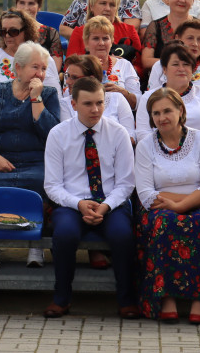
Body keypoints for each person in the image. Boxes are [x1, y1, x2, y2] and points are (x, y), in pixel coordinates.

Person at [42, 76, 138, 319]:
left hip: (111, 203)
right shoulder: (58, 134)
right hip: (72, 203)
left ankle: (127, 299)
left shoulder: (118, 133)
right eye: (88, 104)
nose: (95, 109)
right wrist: (79, 204)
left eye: (100, 103)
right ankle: (61, 298)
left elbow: (126, 182)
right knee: (64, 235)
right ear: (73, 104)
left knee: (123, 235)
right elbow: (52, 185)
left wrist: (105, 206)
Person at [135, 88, 200, 323]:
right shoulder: (146, 145)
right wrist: (179, 204)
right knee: (165, 224)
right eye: (156, 113)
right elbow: (146, 193)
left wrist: (181, 204)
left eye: (167, 110)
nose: (161, 117)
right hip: (160, 208)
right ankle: (166, 298)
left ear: (181, 111)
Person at [0, 41, 62, 270]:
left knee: (40, 180)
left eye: (43, 69)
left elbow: (52, 133)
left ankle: (35, 242)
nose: (40, 74)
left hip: (35, 160)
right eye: (35, 67)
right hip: (0, 157)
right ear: (18, 69)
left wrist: (36, 99)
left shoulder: (49, 94)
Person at [136, 43, 200, 155]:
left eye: (186, 64)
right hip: (160, 158)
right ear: (164, 69)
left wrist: (191, 150)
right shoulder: (148, 97)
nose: (181, 69)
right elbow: (142, 134)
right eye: (175, 64)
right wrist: (171, 150)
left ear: (193, 69)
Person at [0, 9, 61, 107]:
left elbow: (57, 100)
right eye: (3, 31)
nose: (7, 35)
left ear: (27, 31)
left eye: (13, 31)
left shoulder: (45, 59)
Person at [65, 0, 143, 76]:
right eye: (103, 3)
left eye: (112, 5)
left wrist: (123, 66)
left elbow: (141, 68)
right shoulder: (79, 32)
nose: (107, 8)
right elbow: (69, 67)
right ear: (91, 7)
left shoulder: (129, 31)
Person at [140, 0, 200, 72]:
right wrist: (175, 65)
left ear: (193, 1)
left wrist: (185, 66)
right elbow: (146, 61)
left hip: (198, 75)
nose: (182, 0)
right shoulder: (155, 26)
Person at [73, 15, 141, 111]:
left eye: (105, 38)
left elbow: (138, 104)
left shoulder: (124, 65)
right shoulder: (76, 67)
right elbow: (68, 101)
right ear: (86, 42)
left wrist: (123, 92)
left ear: (112, 41)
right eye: (96, 38)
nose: (101, 43)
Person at [59, 54, 133, 133]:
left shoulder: (117, 98)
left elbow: (131, 136)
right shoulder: (65, 103)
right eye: (67, 76)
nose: (67, 81)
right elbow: (69, 136)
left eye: (74, 77)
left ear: (91, 79)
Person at [147, 19, 200, 94]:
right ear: (177, 38)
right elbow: (150, 98)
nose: (195, 44)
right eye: (190, 38)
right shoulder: (160, 65)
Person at [14, 0, 64, 70]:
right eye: (22, 3)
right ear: (16, 5)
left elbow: (55, 69)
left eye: (31, 3)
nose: (26, 8)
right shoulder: (6, 31)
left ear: (39, 7)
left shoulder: (50, 34)